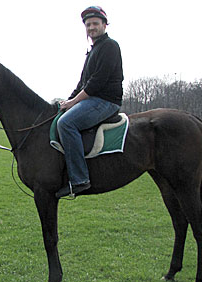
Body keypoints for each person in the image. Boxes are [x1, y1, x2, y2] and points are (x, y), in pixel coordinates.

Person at [56, 6, 124, 198]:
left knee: (66, 123)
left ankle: (79, 180)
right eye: (88, 25)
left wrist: (74, 103)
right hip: (93, 99)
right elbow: (82, 83)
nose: (91, 27)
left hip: (105, 101)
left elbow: (97, 83)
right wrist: (68, 101)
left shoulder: (110, 46)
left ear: (104, 24)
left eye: (95, 23)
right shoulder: (93, 50)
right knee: (60, 116)